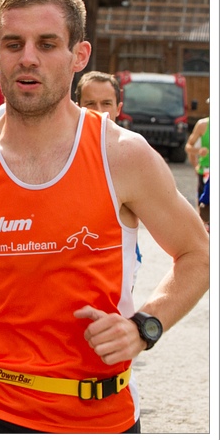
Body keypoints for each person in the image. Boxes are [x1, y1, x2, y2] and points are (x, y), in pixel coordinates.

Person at [0, 0, 210, 434]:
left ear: (79, 55)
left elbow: (197, 254)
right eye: (13, 44)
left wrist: (145, 325)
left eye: (47, 44)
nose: (28, 58)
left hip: (100, 414)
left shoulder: (122, 156)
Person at [74, 70, 143, 286]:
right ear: (77, 107)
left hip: (117, 270)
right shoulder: (59, 151)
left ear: (118, 108)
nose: (99, 111)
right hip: (70, 267)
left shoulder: (133, 154)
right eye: (90, 104)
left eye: (106, 103)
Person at [185, 103, 209, 205]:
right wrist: (198, 151)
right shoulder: (202, 125)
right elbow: (188, 147)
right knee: (204, 205)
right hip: (206, 171)